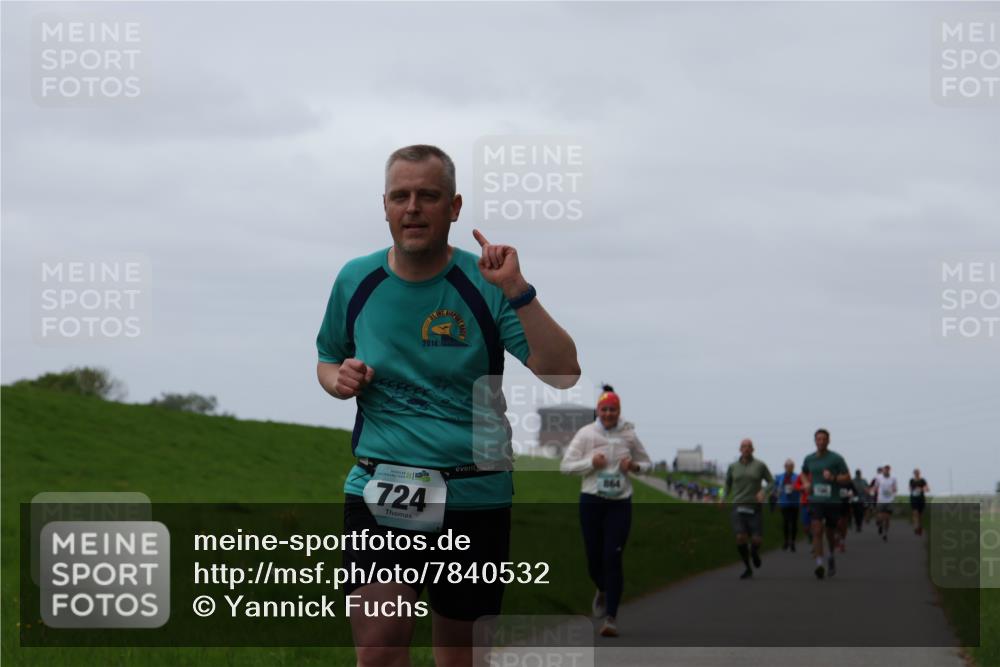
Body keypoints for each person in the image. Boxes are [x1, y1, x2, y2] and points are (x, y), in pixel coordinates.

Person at [316, 144, 580, 667]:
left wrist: (519, 291)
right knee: (378, 650)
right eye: (401, 196)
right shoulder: (356, 279)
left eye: (428, 196)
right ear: (386, 206)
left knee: (460, 658)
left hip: (473, 493)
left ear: (454, 208)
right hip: (379, 487)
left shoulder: (486, 283)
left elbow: (563, 372)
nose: (412, 207)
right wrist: (338, 378)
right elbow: (328, 358)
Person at [561, 385, 652, 638]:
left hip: (620, 502)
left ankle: (611, 617)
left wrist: (633, 466)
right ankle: (601, 588)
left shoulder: (629, 435)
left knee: (613, 556)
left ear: (619, 411)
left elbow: (648, 464)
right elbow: (566, 467)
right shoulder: (586, 434)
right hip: (591, 501)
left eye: (613, 409)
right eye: (604, 409)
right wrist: (591, 462)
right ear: (598, 411)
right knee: (593, 558)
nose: (609, 413)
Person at [800, 429, 850, 579]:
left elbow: (847, 477)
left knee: (829, 533)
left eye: (824, 439)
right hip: (815, 500)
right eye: (818, 439)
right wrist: (806, 482)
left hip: (832, 501)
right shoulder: (809, 458)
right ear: (815, 441)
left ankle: (831, 556)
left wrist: (834, 478)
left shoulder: (836, 458)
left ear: (828, 441)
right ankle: (819, 564)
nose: (821, 441)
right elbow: (803, 472)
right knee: (816, 529)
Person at [723, 439, 775, 580]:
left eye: (749, 447)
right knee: (740, 537)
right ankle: (747, 567)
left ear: (753, 449)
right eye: (743, 446)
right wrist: (722, 498)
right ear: (740, 449)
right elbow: (727, 484)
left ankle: (754, 553)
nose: (746, 449)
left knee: (756, 540)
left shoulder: (760, 465)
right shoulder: (733, 467)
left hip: (754, 507)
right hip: (738, 506)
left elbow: (771, 482)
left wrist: (764, 492)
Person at [774, 459, 800, 551]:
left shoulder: (797, 477)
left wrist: (795, 488)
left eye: (791, 466)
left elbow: (801, 488)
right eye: (787, 466)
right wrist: (776, 500)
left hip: (795, 502)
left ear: (793, 467)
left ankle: (792, 542)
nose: (789, 468)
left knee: (793, 523)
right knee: (785, 522)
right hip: (784, 502)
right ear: (784, 467)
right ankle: (786, 541)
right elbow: (776, 489)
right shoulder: (779, 477)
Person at [874, 464, 898, 542]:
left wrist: (893, 490)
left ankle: (885, 534)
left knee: (887, 518)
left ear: (889, 470)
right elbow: (876, 487)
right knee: (880, 517)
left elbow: (895, 488)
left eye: (888, 469)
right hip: (881, 500)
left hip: (889, 500)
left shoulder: (893, 478)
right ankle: (880, 524)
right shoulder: (878, 477)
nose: (886, 470)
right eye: (885, 468)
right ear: (883, 470)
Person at [909, 469, 930, 535]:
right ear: (913, 473)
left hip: (921, 499)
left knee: (920, 515)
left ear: (919, 473)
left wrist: (921, 489)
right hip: (914, 498)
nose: (916, 474)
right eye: (915, 473)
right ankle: (916, 528)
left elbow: (927, 489)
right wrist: (914, 489)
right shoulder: (911, 480)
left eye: (917, 473)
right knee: (915, 513)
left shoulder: (922, 480)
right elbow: (910, 489)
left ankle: (920, 527)